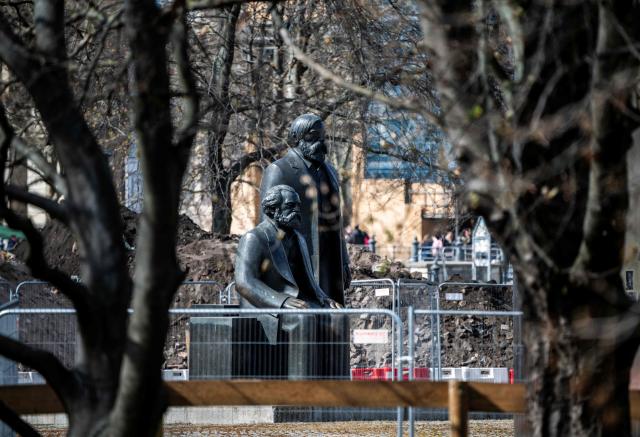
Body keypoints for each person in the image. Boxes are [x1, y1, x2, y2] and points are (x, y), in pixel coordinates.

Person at [260, 113, 350, 305]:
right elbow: (267, 222)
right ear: (296, 138)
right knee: (303, 316)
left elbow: (337, 219)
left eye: (322, 136)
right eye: (312, 136)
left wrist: (344, 260)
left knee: (330, 314)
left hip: (328, 259)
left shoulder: (330, 171)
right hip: (296, 261)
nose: (319, 141)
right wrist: (275, 268)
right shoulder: (279, 170)